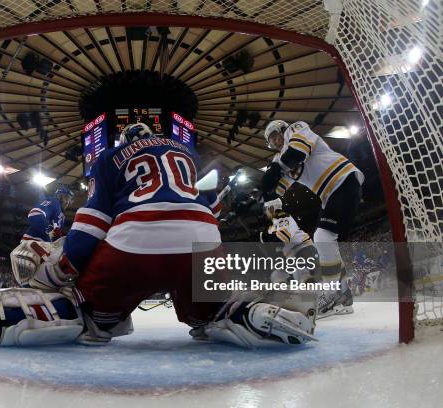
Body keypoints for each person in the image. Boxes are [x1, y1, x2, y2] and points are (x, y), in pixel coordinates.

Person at [24, 123, 316, 347]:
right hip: (201, 242)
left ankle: (38, 315)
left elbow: (92, 225)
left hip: (133, 247)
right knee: (212, 314)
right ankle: (244, 314)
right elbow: (212, 210)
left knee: (90, 316)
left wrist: (62, 269)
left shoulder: (108, 157)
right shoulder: (186, 152)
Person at [260, 120, 364, 317]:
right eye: (270, 141)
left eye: (274, 135)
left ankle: (332, 295)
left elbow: (297, 153)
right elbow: (275, 192)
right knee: (327, 241)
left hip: (342, 179)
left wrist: (275, 171)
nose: (274, 141)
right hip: (330, 194)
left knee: (323, 237)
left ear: (283, 129)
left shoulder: (296, 129)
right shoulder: (281, 159)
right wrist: (262, 196)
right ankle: (343, 297)